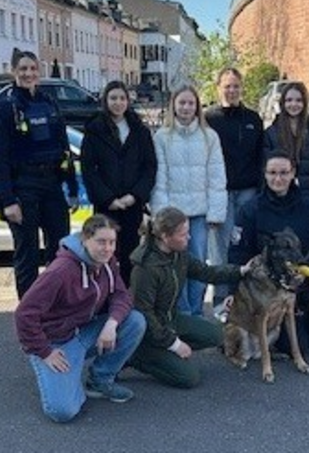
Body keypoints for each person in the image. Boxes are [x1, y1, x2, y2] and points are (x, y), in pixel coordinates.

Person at [14, 215, 146, 423]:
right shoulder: (61, 270)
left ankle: (100, 381)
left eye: (112, 242)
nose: (108, 248)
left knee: (135, 321)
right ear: (85, 240)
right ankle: (60, 374)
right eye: (101, 242)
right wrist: (44, 351)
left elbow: (121, 295)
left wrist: (111, 324)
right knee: (63, 412)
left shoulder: (107, 262)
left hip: (84, 331)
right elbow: (24, 313)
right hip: (55, 343)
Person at [228, 150, 309, 351]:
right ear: (265, 174)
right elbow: (237, 253)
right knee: (292, 348)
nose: (278, 178)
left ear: (293, 173)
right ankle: (287, 333)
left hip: (301, 279)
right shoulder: (249, 210)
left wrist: (308, 268)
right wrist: (232, 291)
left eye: (283, 173)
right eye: (272, 173)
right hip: (265, 287)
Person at [128, 206, 253, 388]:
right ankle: (137, 357)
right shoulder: (145, 269)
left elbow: (207, 272)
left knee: (216, 336)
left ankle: (164, 354)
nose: (189, 237)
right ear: (164, 237)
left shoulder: (179, 254)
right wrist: (174, 344)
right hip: (150, 331)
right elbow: (145, 314)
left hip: (171, 319)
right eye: (183, 234)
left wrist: (241, 271)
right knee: (189, 378)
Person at [0, 49, 79, 298]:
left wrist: (71, 189)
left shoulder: (48, 103)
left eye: (32, 69)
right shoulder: (5, 109)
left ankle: (57, 310)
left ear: (39, 72)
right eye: (23, 69)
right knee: (27, 255)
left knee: (60, 252)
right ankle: (30, 316)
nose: (28, 74)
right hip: (23, 187)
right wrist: (8, 200)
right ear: (14, 72)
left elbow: (63, 148)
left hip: (51, 185)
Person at [151, 84, 227, 315]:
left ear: (197, 107)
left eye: (190, 103)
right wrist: (161, 214)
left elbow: (216, 176)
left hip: (200, 214)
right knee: (174, 266)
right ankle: (181, 313)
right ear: (173, 105)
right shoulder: (162, 137)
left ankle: (195, 313)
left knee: (199, 266)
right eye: (182, 103)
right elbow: (160, 177)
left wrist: (216, 212)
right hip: (173, 215)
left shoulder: (209, 136)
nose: (186, 108)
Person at [81, 80, 157, 286]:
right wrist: (108, 198)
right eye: (113, 98)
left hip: (132, 204)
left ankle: (127, 301)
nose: (118, 103)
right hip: (107, 206)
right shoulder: (95, 130)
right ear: (106, 100)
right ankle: (104, 301)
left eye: (122, 98)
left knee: (130, 257)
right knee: (103, 255)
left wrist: (135, 195)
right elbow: (88, 169)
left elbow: (149, 167)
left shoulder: (139, 130)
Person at [204, 67, 264, 313]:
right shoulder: (208, 119)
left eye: (236, 86)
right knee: (220, 252)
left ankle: (246, 304)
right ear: (218, 88)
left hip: (249, 191)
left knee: (246, 247)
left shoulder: (253, 119)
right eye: (227, 86)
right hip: (220, 193)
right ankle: (221, 305)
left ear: (242, 88)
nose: (231, 91)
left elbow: (261, 155)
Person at [264, 81, 309, 216]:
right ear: (283, 103)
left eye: (298, 100)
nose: (294, 104)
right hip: (280, 199)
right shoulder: (271, 133)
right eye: (289, 100)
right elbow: (265, 170)